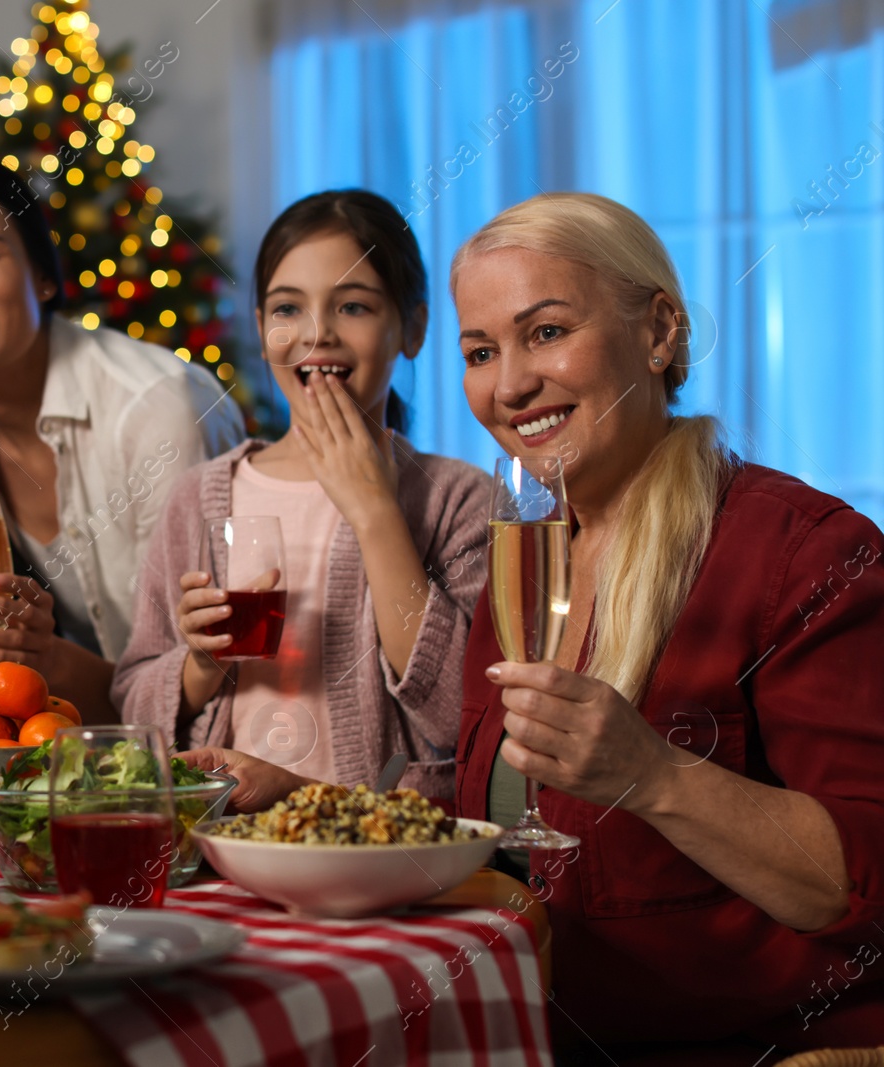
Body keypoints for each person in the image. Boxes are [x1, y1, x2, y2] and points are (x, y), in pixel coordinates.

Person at [450, 193, 884, 1057]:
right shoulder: (526, 565)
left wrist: (654, 774)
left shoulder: (809, 551)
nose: (509, 386)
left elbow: (858, 882)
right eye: (480, 351)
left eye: (545, 332)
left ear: (660, 333)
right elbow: (494, 831)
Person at [115, 190, 490, 800]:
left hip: (382, 855)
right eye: (288, 308)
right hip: (220, 850)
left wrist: (374, 512)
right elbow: (134, 699)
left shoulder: (459, 500)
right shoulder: (198, 498)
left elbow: (462, 714)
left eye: (353, 306)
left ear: (413, 329)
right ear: (263, 332)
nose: (317, 334)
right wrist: (200, 665)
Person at [0, 151, 245, 719]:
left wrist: (45, 656)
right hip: (60, 746)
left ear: (44, 277)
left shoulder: (158, 411)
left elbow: (212, 672)